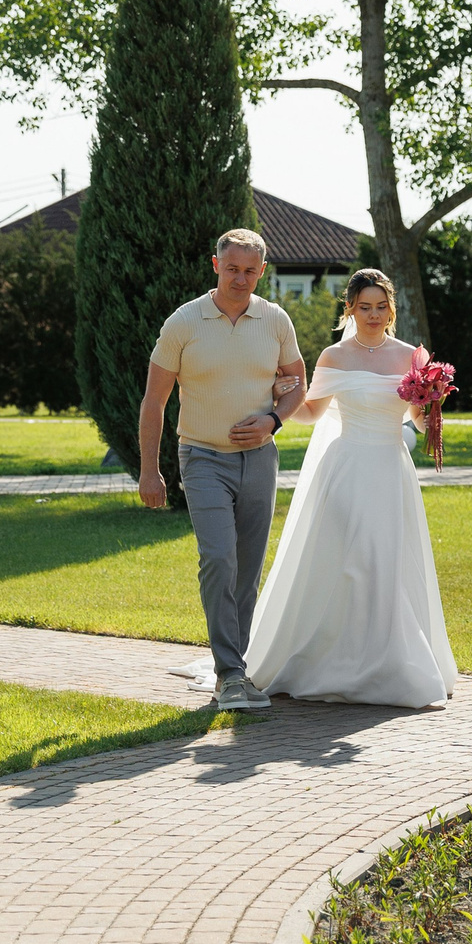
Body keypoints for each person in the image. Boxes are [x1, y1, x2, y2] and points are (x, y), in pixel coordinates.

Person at [244, 268, 458, 708]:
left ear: (391, 308)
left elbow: (420, 425)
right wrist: (280, 396)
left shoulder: (412, 357)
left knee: (386, 560)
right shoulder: (334, 356)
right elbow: (310, 414)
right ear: (350, 309)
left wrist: (431, 400)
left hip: (390, 469)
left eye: (381, 307)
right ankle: (335, 659)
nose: (374, 315)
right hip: (344, 470)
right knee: (351, 560)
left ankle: (386, 662)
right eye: (365, 307)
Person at [137, 229, 305, 711]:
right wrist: (150, 471)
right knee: (219, 558)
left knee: (247, 569)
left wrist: (274, 420)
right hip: (203, 457)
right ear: (216, 265)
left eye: (250, 271)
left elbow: (297, 382)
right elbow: (155, 401)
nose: (241, 278)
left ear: (262, 272)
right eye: (232, 268)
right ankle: (230, 674)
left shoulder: (275, 320)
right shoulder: (184, 323)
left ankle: (235, 666)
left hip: (260, 461)